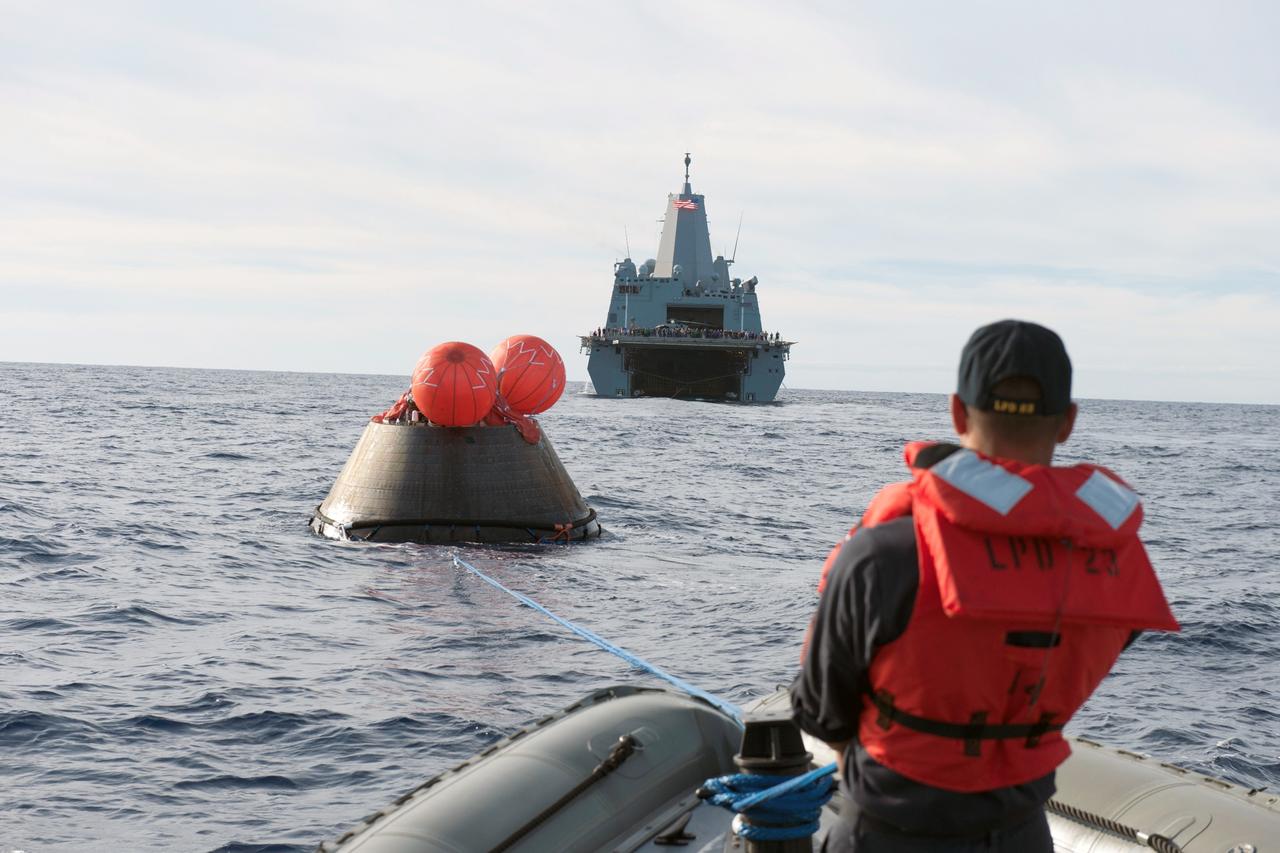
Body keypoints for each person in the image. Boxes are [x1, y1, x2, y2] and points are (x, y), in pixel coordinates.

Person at [792, 319, 1179, 852]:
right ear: (1067, 422)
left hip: (883, 833)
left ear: (956, 411)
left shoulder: (884, 555)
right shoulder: (1117, 565)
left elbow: (820, 711)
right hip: (1023, 833)